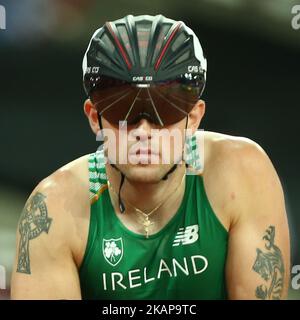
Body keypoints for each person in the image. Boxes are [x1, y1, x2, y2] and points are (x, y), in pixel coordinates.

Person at [11, 14, 290, 300]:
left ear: (193, 117)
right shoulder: (52, 210)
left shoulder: (242, 172)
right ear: (95, 118)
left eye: (164, 109)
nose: (144, 130)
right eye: (123, 111)